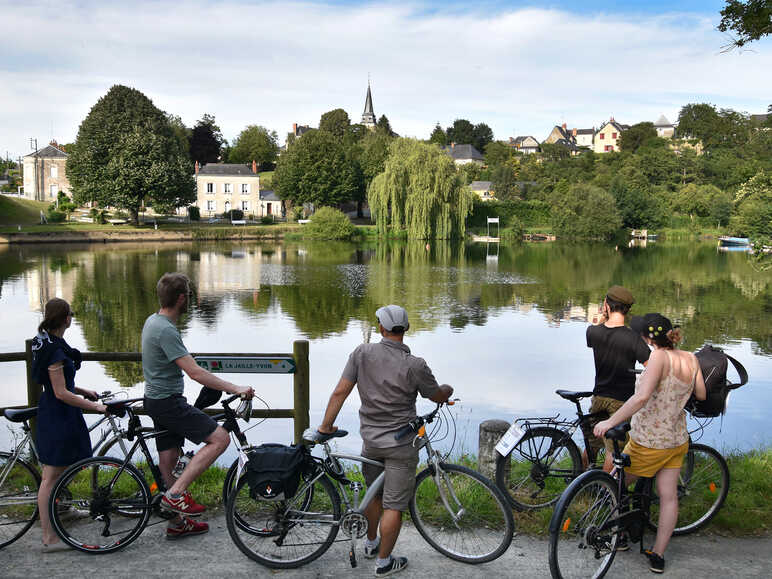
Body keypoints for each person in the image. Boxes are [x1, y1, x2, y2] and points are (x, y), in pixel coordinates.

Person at [318, 305, 453, 577]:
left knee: (374, 495)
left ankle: (370, 544)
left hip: (371, 441)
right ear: (406, 329)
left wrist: (325, 426)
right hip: (402, 446)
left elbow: (339, 393)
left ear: (381, 327)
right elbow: (437, 395)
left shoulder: (362, 353)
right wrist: (448, 390)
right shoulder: (415, 365)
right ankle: (383, 562)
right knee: (394, 505)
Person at [141, 272, 254, 539]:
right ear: (181, 299)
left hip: (156, 400)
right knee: (219, 439)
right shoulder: (166, 329)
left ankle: (178, 522)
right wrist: (235, 387)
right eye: (189, 296)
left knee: (169, 460)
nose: (189, 300)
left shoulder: (153, 321)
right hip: (168, 402)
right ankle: (176, 495)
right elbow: (195, 373)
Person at [594, 313, 706, 574]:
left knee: (614, 484)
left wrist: (610, 421)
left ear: (646, 338)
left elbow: (641, 398)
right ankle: (657, 555)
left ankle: (618, 538)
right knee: (668, 496)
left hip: (648, 442)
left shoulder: (657, 357)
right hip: (677, 440)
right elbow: (700, 393)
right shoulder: (691, 358)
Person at [30, 298, 107, 548]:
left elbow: (61, 385)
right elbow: (60, 393)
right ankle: (49, 537)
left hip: (61, 413)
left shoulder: (48, 342)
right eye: (70, 315)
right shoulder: (54, 351)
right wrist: (95, 406)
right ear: (66, 318)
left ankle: (61, 510)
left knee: (64, 470)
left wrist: (83, 391)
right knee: (50, 477)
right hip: (57, 416)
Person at [585, 285, 650, 472]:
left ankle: (582, 485)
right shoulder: (633, 339)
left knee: (592, 443)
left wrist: (603, 318)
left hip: (598, 397)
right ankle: (605, 493)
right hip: (621, 401)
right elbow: (651, 367)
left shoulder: (593, 332)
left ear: (606, 305)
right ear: (628, 310)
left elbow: (598, 331)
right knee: (613, 450)